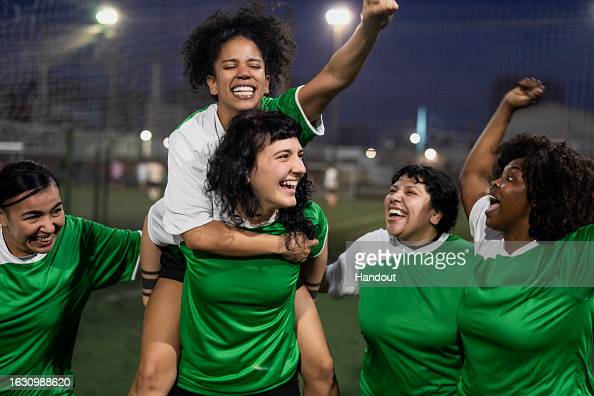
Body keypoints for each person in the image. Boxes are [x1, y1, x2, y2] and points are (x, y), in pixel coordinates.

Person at [134, 1, 398, 395]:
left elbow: (333, 78)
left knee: (322, 369)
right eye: (230, 65)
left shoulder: (280, 121)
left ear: (267, 77)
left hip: (265, 249)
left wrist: (369, 27)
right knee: (155, 376)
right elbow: (196, 236)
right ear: (211, 82)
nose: (244, 73)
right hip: (196, 254)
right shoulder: (192, 138)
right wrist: (281, 245)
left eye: (254, 64)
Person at [165, 110, 329, 395]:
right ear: (245, 167)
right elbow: (151, 229)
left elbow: (311, 279)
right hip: (200, 387)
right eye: (283, 156)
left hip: (276, 384)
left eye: (299, 155)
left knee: (324, 372)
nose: (300, 167)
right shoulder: (199, 218)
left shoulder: (310, 219)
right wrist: (148, 287)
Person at [457, 78, 594, 395]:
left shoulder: (572, 259)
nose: (495, 184)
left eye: (509, 178)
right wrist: (506, 107)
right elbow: (472, 177)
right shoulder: (490, 238)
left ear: (540, 197)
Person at [324, 165, 471, 395]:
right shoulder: (373, 246)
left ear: (436, 214)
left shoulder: (466, 261)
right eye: (393, 190)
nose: (395, 197)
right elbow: (327, 279)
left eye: (410, 192)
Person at [0, 161, 141, 396]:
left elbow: (151, 247)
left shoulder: (76, 239)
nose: (49, 226)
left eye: (56, 211)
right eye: (33, 217)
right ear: (2, 217)